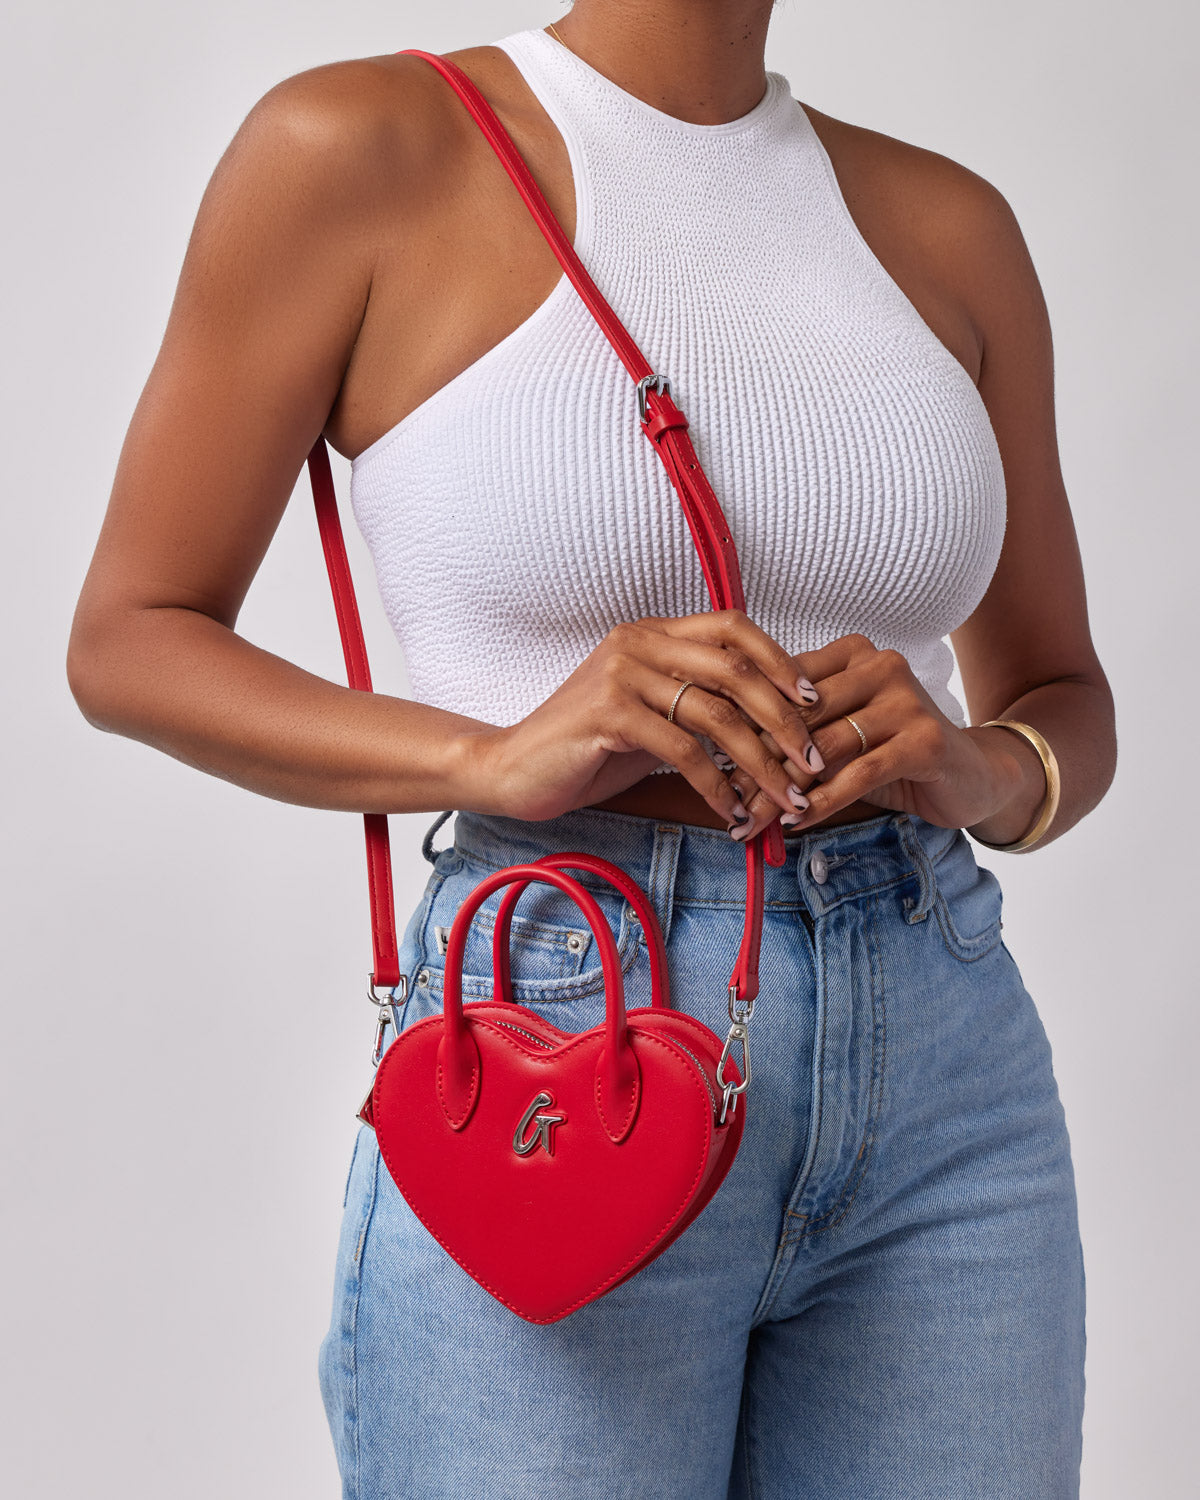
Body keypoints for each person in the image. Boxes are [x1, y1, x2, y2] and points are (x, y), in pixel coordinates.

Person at [66, 2, 1115, 1495]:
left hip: (944, 1059)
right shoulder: (361, 149)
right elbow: (129, 634)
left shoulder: (951, 228)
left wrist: (983, 768)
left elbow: (1062, 688)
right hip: (562, 1017)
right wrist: (485, 757)